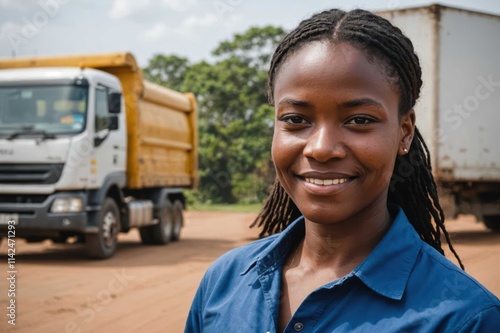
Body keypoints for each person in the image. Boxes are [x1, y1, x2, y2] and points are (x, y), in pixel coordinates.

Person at [185, 8, 500, 333]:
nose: (321, 148)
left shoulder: (467, 319)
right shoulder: (223, 283)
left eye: (359, 120)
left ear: (404, 132)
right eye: (295, 119)